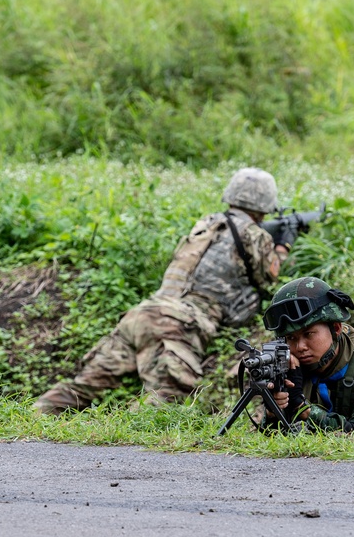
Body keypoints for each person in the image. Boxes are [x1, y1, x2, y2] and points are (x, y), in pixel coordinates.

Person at [33, 168, 291, 415]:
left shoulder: (206, 224)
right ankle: (125, 441)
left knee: (82, 388)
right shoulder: (255, 234)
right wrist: (283, 246)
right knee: (170, 396)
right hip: (175, 321)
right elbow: (270, 275)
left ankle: (34, 415)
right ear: (266, 203)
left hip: (143, 313)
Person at [263, 276, 354, 434]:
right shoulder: (291, 369)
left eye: (309, 334)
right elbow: (273, 438)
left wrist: (302, 407)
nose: (300, 347)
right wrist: (273, 410)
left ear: (336, 328)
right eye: (291, 338)